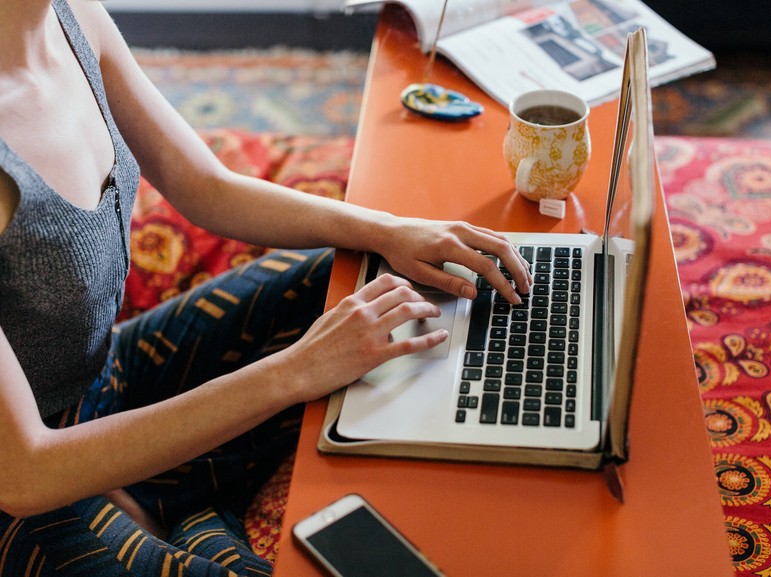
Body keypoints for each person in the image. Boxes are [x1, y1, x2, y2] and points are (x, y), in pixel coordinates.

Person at [0, 0, 531, 574]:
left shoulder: (74, 16)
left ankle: (166, 501)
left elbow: (205, 184)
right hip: (29, 470)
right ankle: (181, 508)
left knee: (374, 277)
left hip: (105, 379)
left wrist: (390, 228)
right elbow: (23, 473)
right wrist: (295, 372)